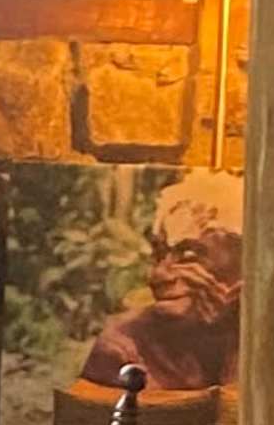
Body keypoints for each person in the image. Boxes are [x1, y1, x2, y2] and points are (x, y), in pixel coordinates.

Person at [81, 171, 244, 407]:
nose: (158, 276)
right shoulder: (122, 347)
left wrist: (238, 341)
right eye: (158, 255)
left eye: (189, 256)